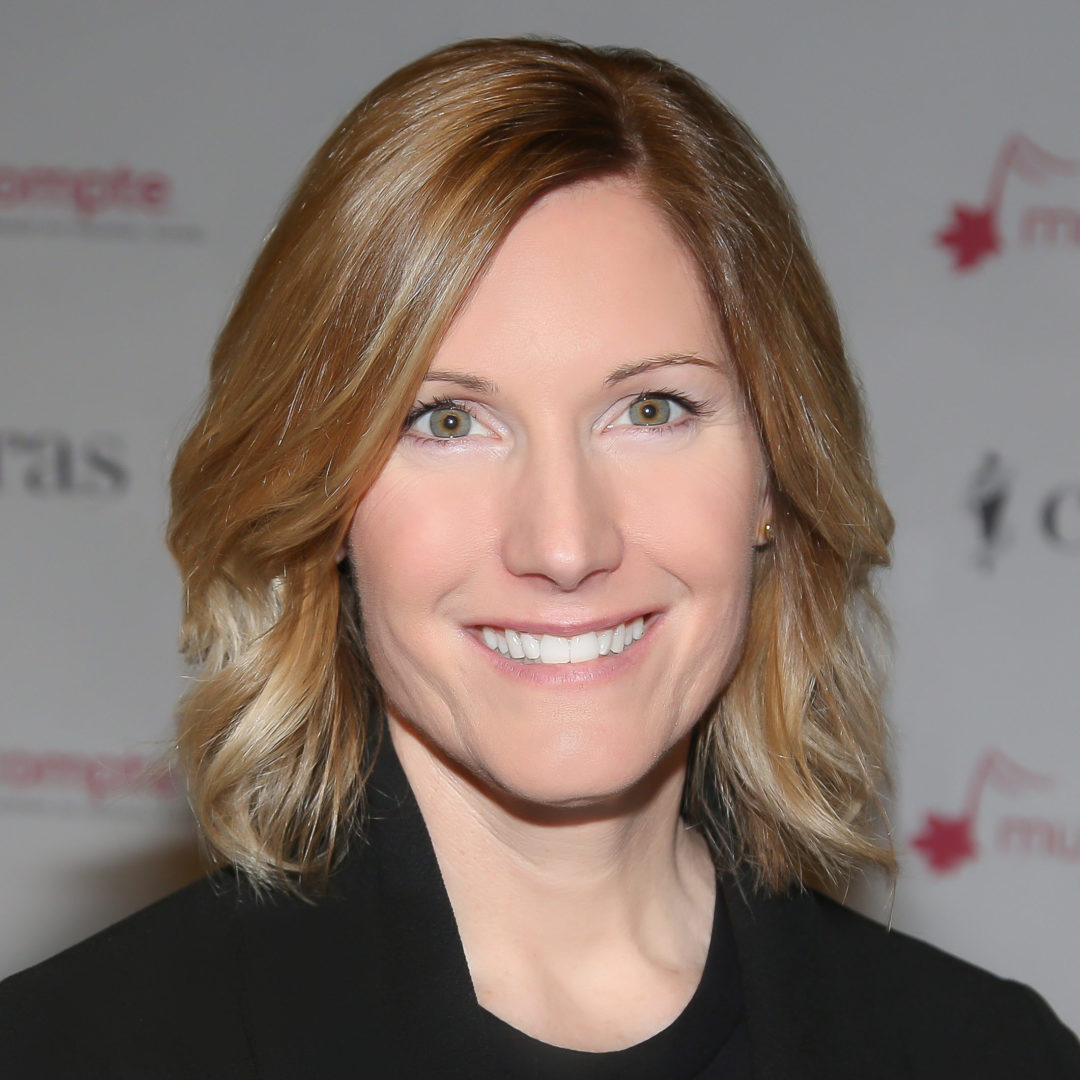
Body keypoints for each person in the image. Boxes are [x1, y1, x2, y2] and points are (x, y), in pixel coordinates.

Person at [1, 36, 1077, 1079]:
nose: (565, 545)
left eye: (652, 409)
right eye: (446, 422)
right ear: (323, 503)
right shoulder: (65, 1052)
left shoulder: (993, 1055)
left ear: (773, 475)